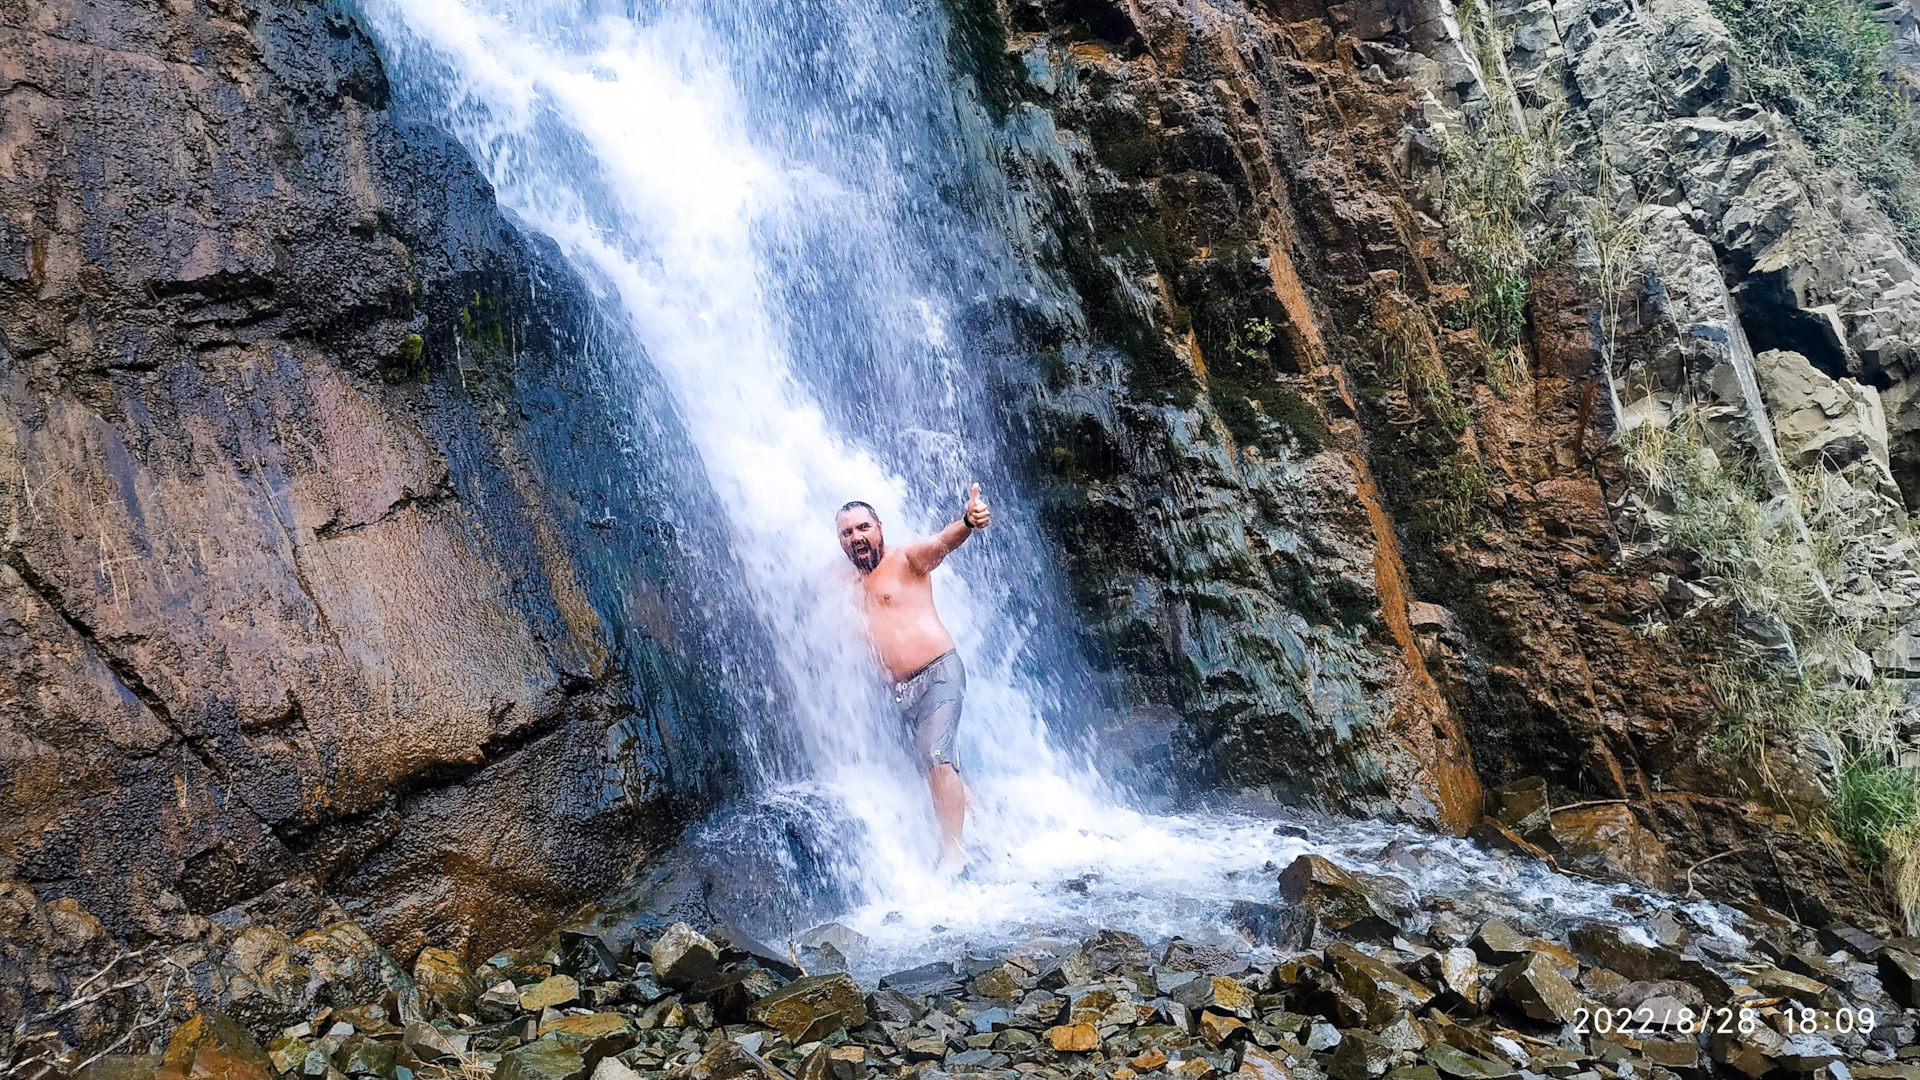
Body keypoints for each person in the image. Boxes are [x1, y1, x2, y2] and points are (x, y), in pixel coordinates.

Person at [835, 484, 991, 870]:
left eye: (863, 527)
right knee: (933, 763)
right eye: (847, 532)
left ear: (879, 527)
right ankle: (990, 831)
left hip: (938, 671)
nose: (857, 537)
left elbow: (943, 542)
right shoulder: (841, 582)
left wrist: (969, 521)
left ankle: (953, 858)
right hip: (897, 692)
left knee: (937, 758)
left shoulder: (907, 559)